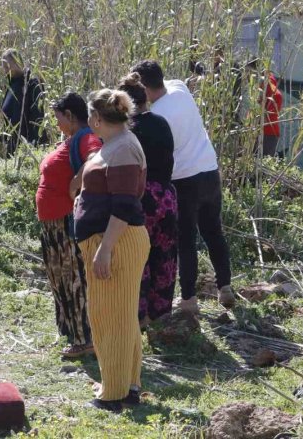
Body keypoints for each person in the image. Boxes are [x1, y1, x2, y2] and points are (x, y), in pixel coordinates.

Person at [130, 60, 235, 314]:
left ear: (143, 87)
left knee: (186, 239)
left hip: (185, 179)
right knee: (213, 232)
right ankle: (225, 287)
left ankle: (188, 299)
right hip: (209, 169)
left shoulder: (158, 116)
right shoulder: (179, 88)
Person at [73, 89, 150, 412]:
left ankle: (114, 394)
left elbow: (124, 206)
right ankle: (127, 385)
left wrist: (105, 249)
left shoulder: (124, 150)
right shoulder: (116, 145)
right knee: (120, 315)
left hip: (116, 243)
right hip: (109, 241)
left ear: (96, 118)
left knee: (110, 318)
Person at [35, 92, 102, 358]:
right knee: (60, 279)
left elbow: (96, 159)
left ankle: (86, 339)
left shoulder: (86, 137)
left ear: (71, 116)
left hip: (66, 223)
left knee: (74, 279)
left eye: (59, 117)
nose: (57, 123)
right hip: (52, 225)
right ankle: (73, 333)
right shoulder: (73, 139)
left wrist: (76, 180)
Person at [118, 74, 179, 325]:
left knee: (137, 258)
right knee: (164, 258)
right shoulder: (162, 123)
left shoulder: (127, 131)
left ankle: (139, 316)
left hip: (141, 198)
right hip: (167, 197)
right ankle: (161, 315)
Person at [0, 48, 46, 155]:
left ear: (18, 63)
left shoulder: (32, 83)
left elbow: (37, 116)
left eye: (8, 66)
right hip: (13, 142)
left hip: (27, 144)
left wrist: (34, 143)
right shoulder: (12, 84)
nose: (5, 70)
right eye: (4, 67)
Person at [246, 59, 283, 157]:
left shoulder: (266, 86)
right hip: (267, 132)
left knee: (258, 165)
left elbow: (263, 113)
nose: (248, 76)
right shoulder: (268, 85)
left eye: (250, 72)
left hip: (265, 133)